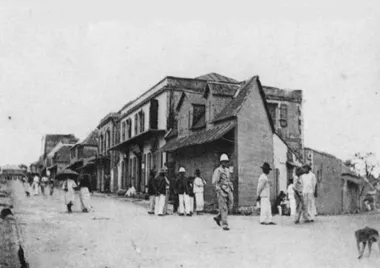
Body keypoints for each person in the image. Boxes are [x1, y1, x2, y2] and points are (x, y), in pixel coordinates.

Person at [212, 154, 234, 231]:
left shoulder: (227, 170)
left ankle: (218, 217)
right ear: (221, 162)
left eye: (226, 161)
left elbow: (229, 180)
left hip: (228, 189)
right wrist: (219, 190)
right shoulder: (218, 170)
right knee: (223, 207)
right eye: (223, 161)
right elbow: (215, 182)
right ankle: (224, 224)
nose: (225, 163)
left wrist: (231, 187)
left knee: (230, 205)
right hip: (221, 190)